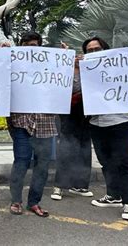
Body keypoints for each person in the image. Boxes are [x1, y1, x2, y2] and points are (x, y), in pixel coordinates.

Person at [83, 36, 128, 221]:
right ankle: (113, 195)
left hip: (119, 121)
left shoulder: (120, 65)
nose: (93, 53)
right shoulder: (85, 71)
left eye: (96, 49)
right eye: (89, 51)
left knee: (125, 163)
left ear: (105, 49)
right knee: (106, 162)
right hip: (96, 123)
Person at [7, 31, 57, 218]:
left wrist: (65, 61)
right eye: (26, 44)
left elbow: (65, 85)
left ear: (40, 47)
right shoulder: (12, 64)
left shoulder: (51, 65)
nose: (30, 48)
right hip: (22, 122)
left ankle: (34, 202)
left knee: (42, 166)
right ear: (21, 46)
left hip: (45, 123)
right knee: (20, 162)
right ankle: (16, 200)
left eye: (34, 45)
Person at [51, 43, 93, 201]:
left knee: (85, 147)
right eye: (74, 55)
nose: (77, 58)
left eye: (79, 54)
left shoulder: (91, 69)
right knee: (67, 148)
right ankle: (59, 186)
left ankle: (81, 184)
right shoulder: (63, 70)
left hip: (87, 114)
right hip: (68, 113)